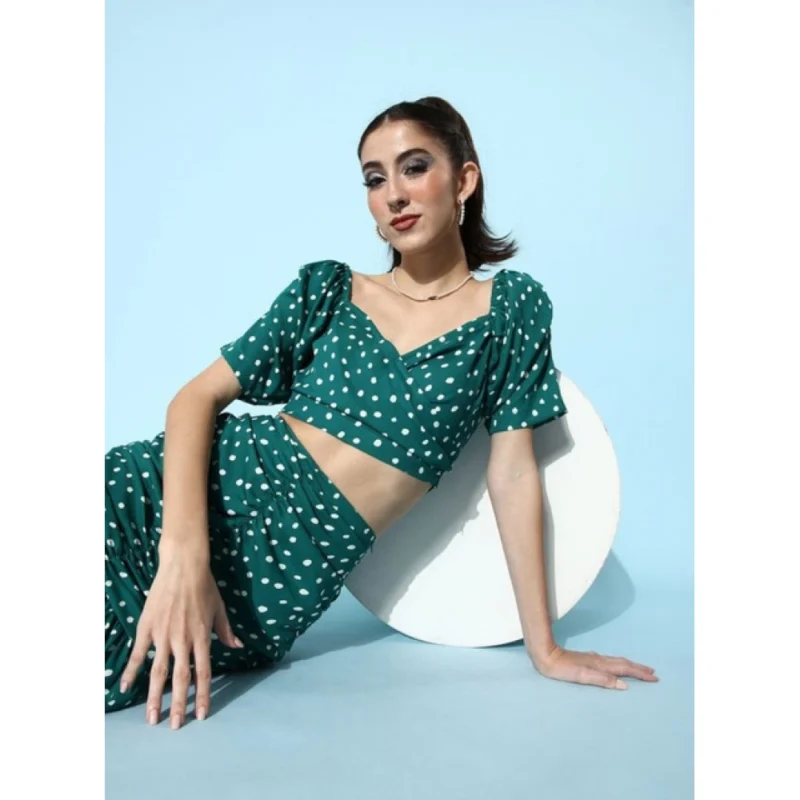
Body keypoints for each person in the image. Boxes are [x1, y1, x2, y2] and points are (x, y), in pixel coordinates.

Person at [105, 96, 659, 729]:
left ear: (464, 181)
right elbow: (194, 398)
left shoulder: (509, 310)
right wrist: (183, 556)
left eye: (414, 167)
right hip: (160, 509)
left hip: (277, 581)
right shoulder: (328, 291)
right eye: (374, 179)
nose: (394, 194)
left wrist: (546, 648)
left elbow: (512, 473)